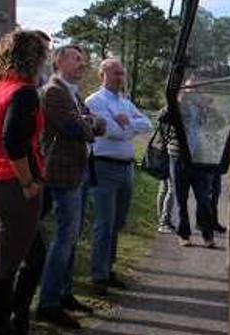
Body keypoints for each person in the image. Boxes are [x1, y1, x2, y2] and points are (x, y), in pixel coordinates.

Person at [0, 30, 49, 335]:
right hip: (14, 187)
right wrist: (28, 182)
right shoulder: (23, 91)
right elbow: (14, 140)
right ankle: (1, 325)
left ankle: (19, 317)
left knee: (34, 252)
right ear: (33, 57)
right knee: (4, 265)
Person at [37, 45, 103, 328]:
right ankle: (49, 303)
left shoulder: (72, 92)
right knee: (64, 238)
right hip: (61, 174)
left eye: (83, 59)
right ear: (59, 60)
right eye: (77, 58)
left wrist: (89, 122)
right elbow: (77, 128)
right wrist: (88, 124)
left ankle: (64, 293)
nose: (82, 63)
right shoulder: (54, 91)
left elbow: (97, 123)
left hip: (77, 172)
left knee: (71, 237)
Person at [85, 58, 152, 295]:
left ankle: (108, 268)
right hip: (104, 167)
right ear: (102, 74)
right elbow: (111, 132)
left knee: (117, 222)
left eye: (122, 73)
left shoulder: (124, 102)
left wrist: (128, 122)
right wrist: (127, 127)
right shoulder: (94, 101)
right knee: (104, 223)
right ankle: (98, 275)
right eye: (115, 73)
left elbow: (147, 123)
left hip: (126, 168)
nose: (120, 77)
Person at [169, 87, 218, 248]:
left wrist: (206, 108)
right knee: (181, 198)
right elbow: (163, 117)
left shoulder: (203, 108)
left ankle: (207, 234)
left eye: (196, 89)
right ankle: (184, 234)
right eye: (189, 88)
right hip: (179, 158)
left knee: (203, 198)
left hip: (200, 158)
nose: (193, 92)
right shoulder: (176, 105)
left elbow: (221, 122)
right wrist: (179, 100)